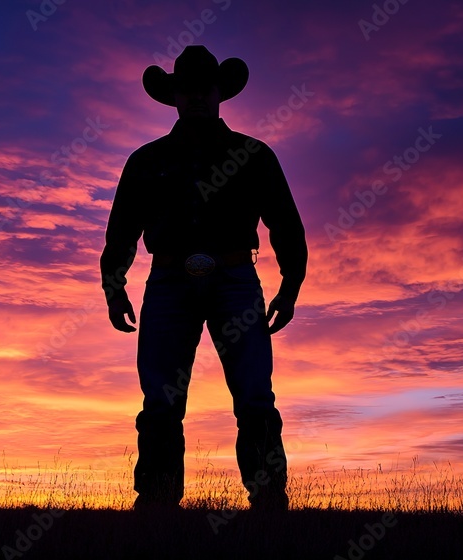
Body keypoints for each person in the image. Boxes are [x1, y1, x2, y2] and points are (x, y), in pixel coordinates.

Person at [99, 45, 308, 513]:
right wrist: (115, 288)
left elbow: (286, 225)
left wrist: (290, 285)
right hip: (171, 279)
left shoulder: (252, 155)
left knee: (254, 394)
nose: (195, 97)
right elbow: (122, 231)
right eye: (186, 90)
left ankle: (269, 502)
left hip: (234, 276)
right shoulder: (146, 160)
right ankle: (156, 503)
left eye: (203, 89)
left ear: (218, 93)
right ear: (174, 96)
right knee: (161, 399)